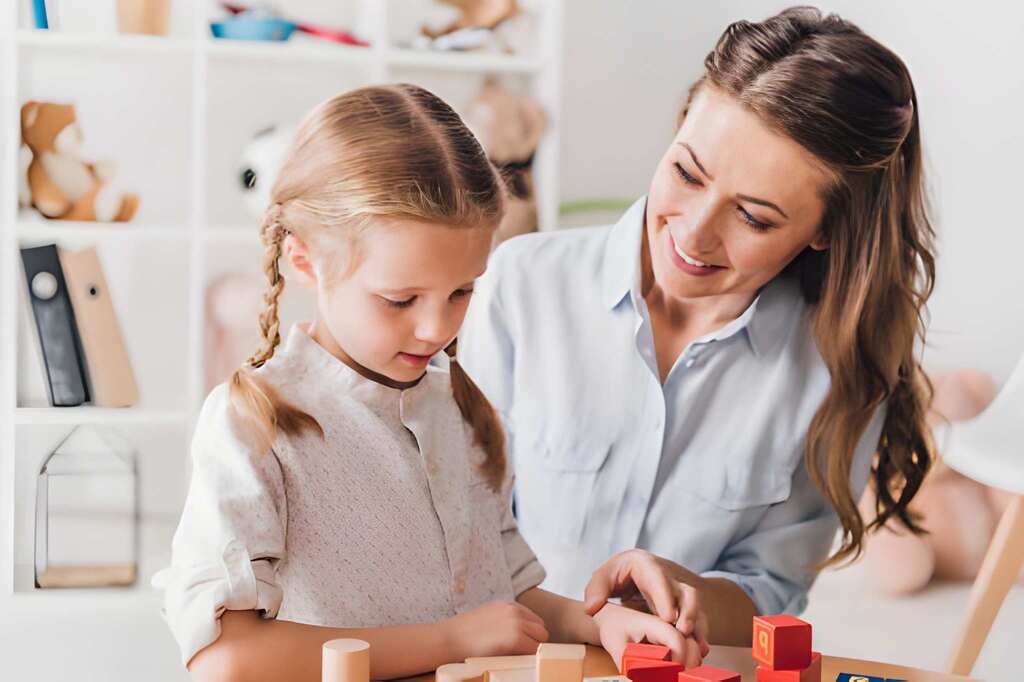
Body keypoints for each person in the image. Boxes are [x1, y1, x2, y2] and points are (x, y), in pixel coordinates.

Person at [153, 84, 704, 682]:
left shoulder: (458, 405)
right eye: (400, 299)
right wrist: (449, 640)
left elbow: (504, 607)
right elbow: (226, 659)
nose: (435, 327)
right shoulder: (253, 425)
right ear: (305, 260)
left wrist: (602, 624)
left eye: (462, 291)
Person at [460, 6, 936, 648]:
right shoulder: (520, 285)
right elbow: (458, 530)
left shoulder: (838, 367)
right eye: (687, 173)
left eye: (756, 218)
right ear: (680, 125)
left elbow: (773, 592)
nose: (693, 232)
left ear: (826, 230)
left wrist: (691, 594)